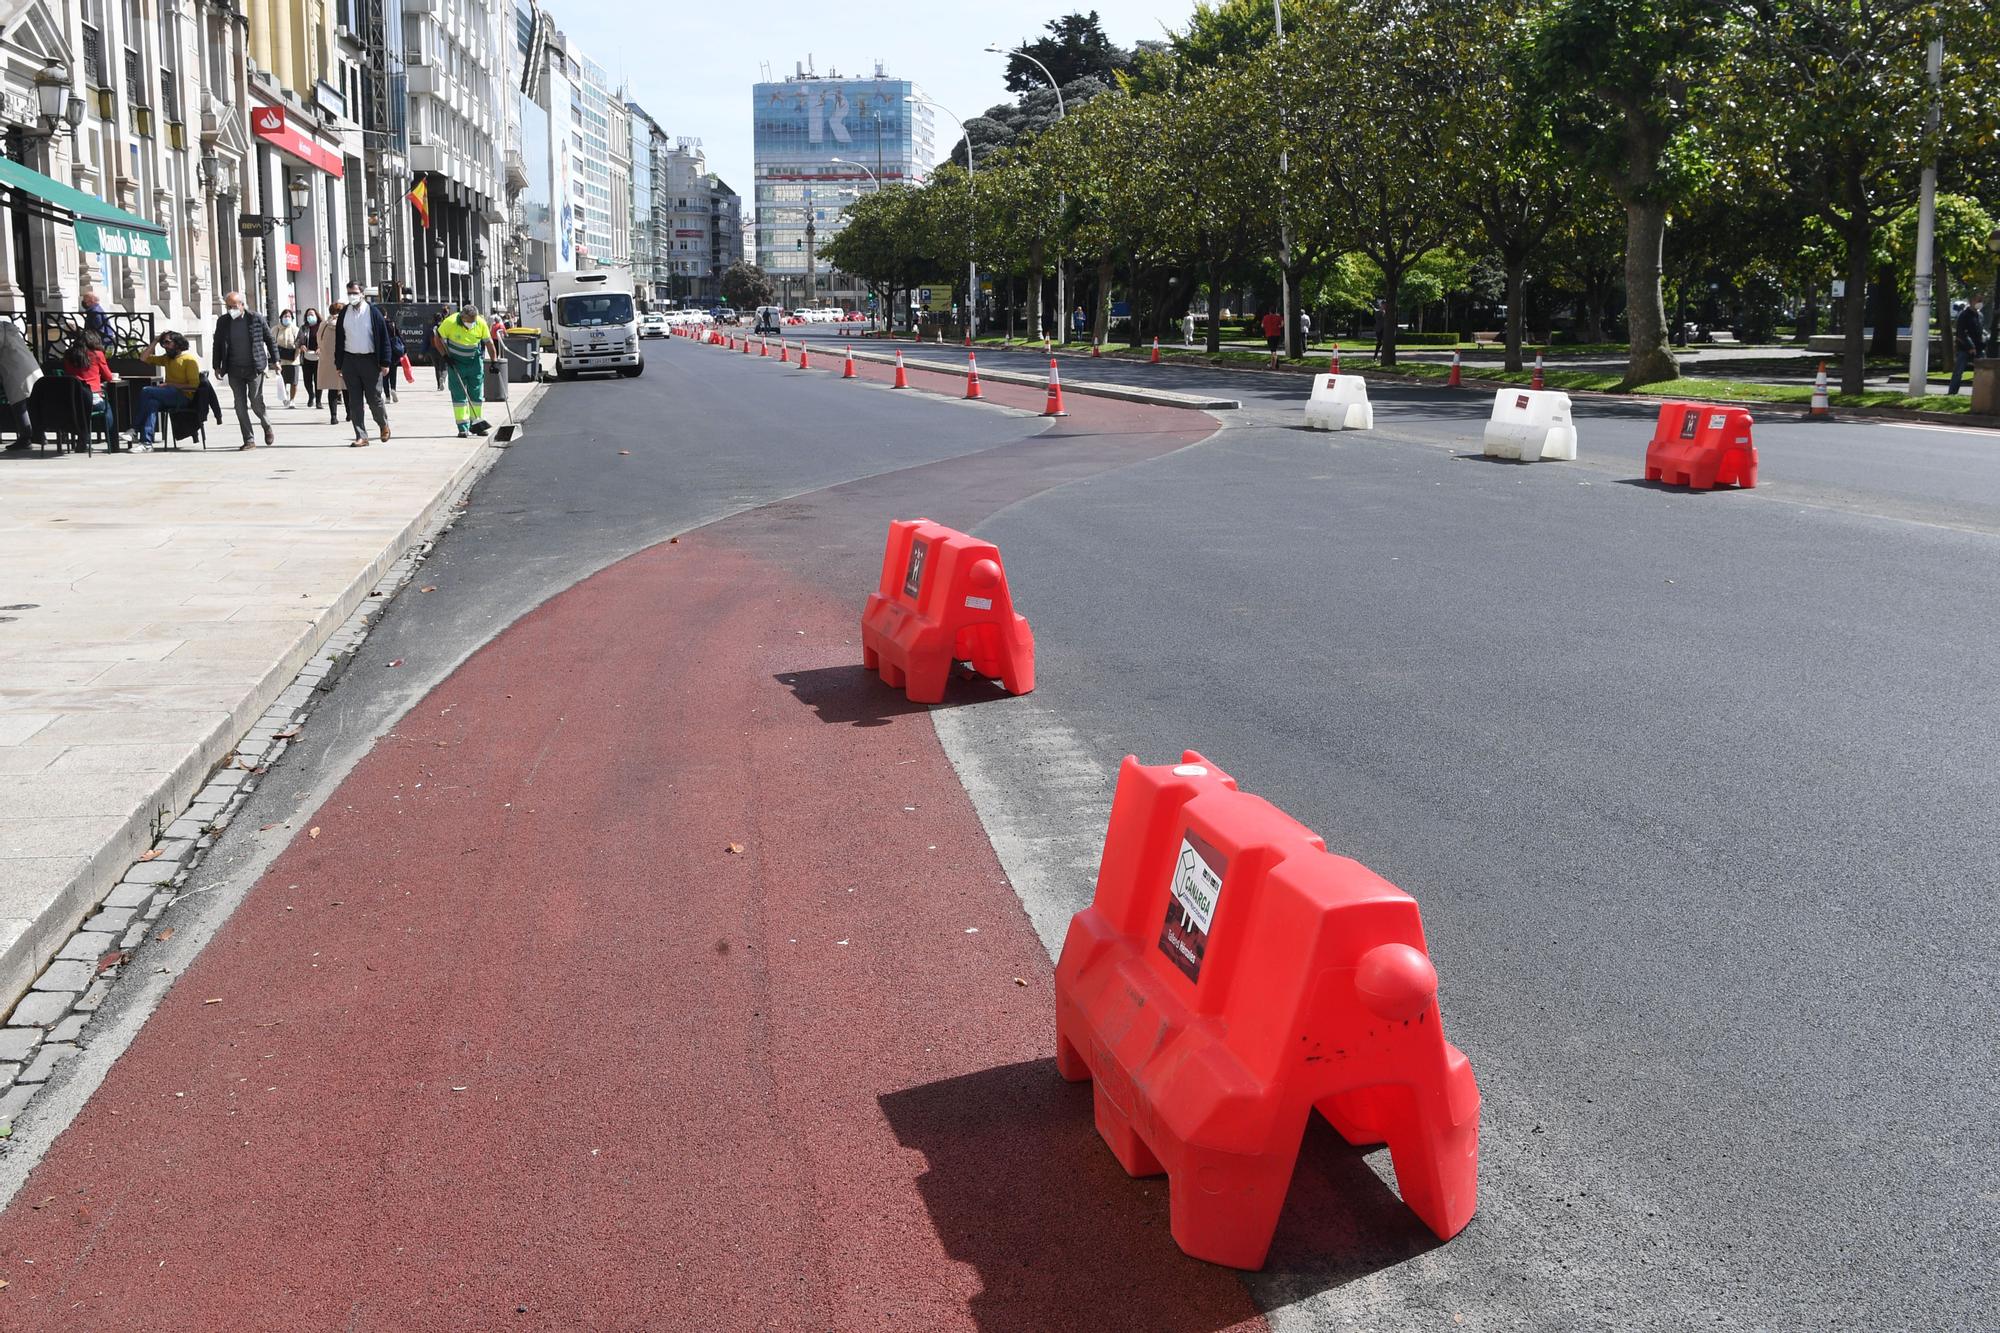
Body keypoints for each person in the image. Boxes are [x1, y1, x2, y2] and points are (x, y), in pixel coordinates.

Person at [211, 291, 277, 450]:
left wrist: (276, 361)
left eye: (234, 306)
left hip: (254, 367)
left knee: (255, 402)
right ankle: (249, 440)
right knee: (240, 406)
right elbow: (217, 343)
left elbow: (269, 339)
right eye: (228, 306)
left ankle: (266, 425)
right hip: (234, 369)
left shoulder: (255, 318)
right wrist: (216, 365)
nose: (231, 310)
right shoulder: (223, 321)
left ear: (242, 305)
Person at [332, 282, 392, 445]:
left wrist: (385, 362)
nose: (352, 295)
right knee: (354, 401)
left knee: (374, 399)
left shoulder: (373, 313)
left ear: (362, 294)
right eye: (349, 292)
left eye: (355, 292)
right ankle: (361, 435)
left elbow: (384, 338)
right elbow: (339, 340)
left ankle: (383, 425)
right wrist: (339, 364)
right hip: (350, 361)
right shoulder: (344, 313)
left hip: (370, 361)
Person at [433, 300, 498, 438]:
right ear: (462, 317)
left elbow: (489, 343)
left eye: (474, 320)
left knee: (476, 395)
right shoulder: (449, 323)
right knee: (459, 396)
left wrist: (494, 362)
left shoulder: (480, 322)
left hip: (474, 362)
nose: (472, 323)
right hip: (456, 363)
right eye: (470, 321)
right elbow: (437, 339)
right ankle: (463, 427)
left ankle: (477, 423)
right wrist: (445, 357)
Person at [134, 331, 201, 449]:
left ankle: (134, 428)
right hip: (169, 394)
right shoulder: (166, 359)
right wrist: (155, 341)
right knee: (151, 403)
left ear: (177, 343)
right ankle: (146, 443)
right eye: (163, 343)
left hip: (184, 397)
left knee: (146, 391)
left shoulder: (188, 360)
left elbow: (194, 386)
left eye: (167, 343)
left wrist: (171, 384)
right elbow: (143, 358)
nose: (165, 346)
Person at [63, 333, 117, 448]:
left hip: (72, 400)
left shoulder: (68, 355)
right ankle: (112, 442)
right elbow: (108, 377)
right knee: (107, 408)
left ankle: (83, 439)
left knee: (83, 410)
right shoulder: (97, 355)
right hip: (93, 399)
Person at [0, 319, 42, 450]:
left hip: (16, 372)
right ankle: (40, 434)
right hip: (31, 369)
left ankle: (25, 437)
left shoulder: (2, 331)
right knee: (33, 405)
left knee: (19, 405)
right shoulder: (11, 332)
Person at [1949, 292, 1987, 395]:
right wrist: (1970, 346)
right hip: (1964, 348)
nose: (1980, 303)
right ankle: (1952, 393)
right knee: (1958, 372)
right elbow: (1961, 333)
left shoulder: (1980, 315)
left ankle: (1981, 393)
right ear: (1971, 302)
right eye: (1978, 300)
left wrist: (1985, 339)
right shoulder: (1964, 315)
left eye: (1981, 301)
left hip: (1978, 348)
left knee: (1983, 371)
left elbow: (1981, 330)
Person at [274, 309, 301, 408]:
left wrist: (296, 352)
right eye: (285, 316)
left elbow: (300, 342)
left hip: (293, 359)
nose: (287, 318)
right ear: (281, 318)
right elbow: (271, 343)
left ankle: (292, 400)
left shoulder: (295, 329)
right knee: (282, 382)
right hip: (280, 361)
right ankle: (285, 398)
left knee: (294, 382)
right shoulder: (275, 329)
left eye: (289, 316)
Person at [298, 308, 324, 408]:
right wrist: (301, 345)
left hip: (318, 357)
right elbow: (298, 340)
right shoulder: (304, 327)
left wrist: (321, 348)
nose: (310, 317)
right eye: (308, 315)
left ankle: (318, 401)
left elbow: (326, 340)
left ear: (317, 315)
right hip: (307, 357)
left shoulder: (322, 326)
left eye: (312, 314)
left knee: (318, 380)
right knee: (307, 380)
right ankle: (311, 395)